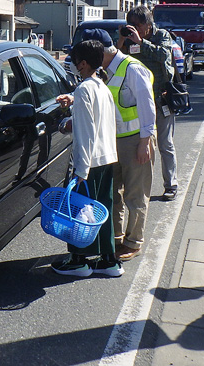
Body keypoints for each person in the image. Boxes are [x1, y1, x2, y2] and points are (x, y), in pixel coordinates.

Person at [68, 28, 156, 262]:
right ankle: (114, 239)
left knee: (135, 195)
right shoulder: (103, 72)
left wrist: (145, 142)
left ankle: (133, 241)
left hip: (136, 139)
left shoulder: (132, 68)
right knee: (113, 193)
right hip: (112, 141)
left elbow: (148, 107)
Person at [51, 39, 122, 277]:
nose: (71, 63)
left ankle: (79, 260)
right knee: (103, 210)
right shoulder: (101, 86)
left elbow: (85, 134)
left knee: (80, 213)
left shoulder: (83, 90)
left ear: (82, 64)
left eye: (73, 60)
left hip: (89, 162)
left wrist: (80, 170)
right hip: (107, 157)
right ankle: (109, 260)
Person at [118, 5, 178, 202]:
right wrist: (121, 40)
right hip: (138, 103)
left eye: (136, 25)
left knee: (164, 144)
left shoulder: (162, 35)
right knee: (141, 147)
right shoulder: (128, 40)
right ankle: (141, 187)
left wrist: (141, 42)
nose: (133, 28)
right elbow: (115, 59)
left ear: (147, 25)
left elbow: (163, 56)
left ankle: (171, 185)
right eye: (130, 24)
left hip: (161, 99)